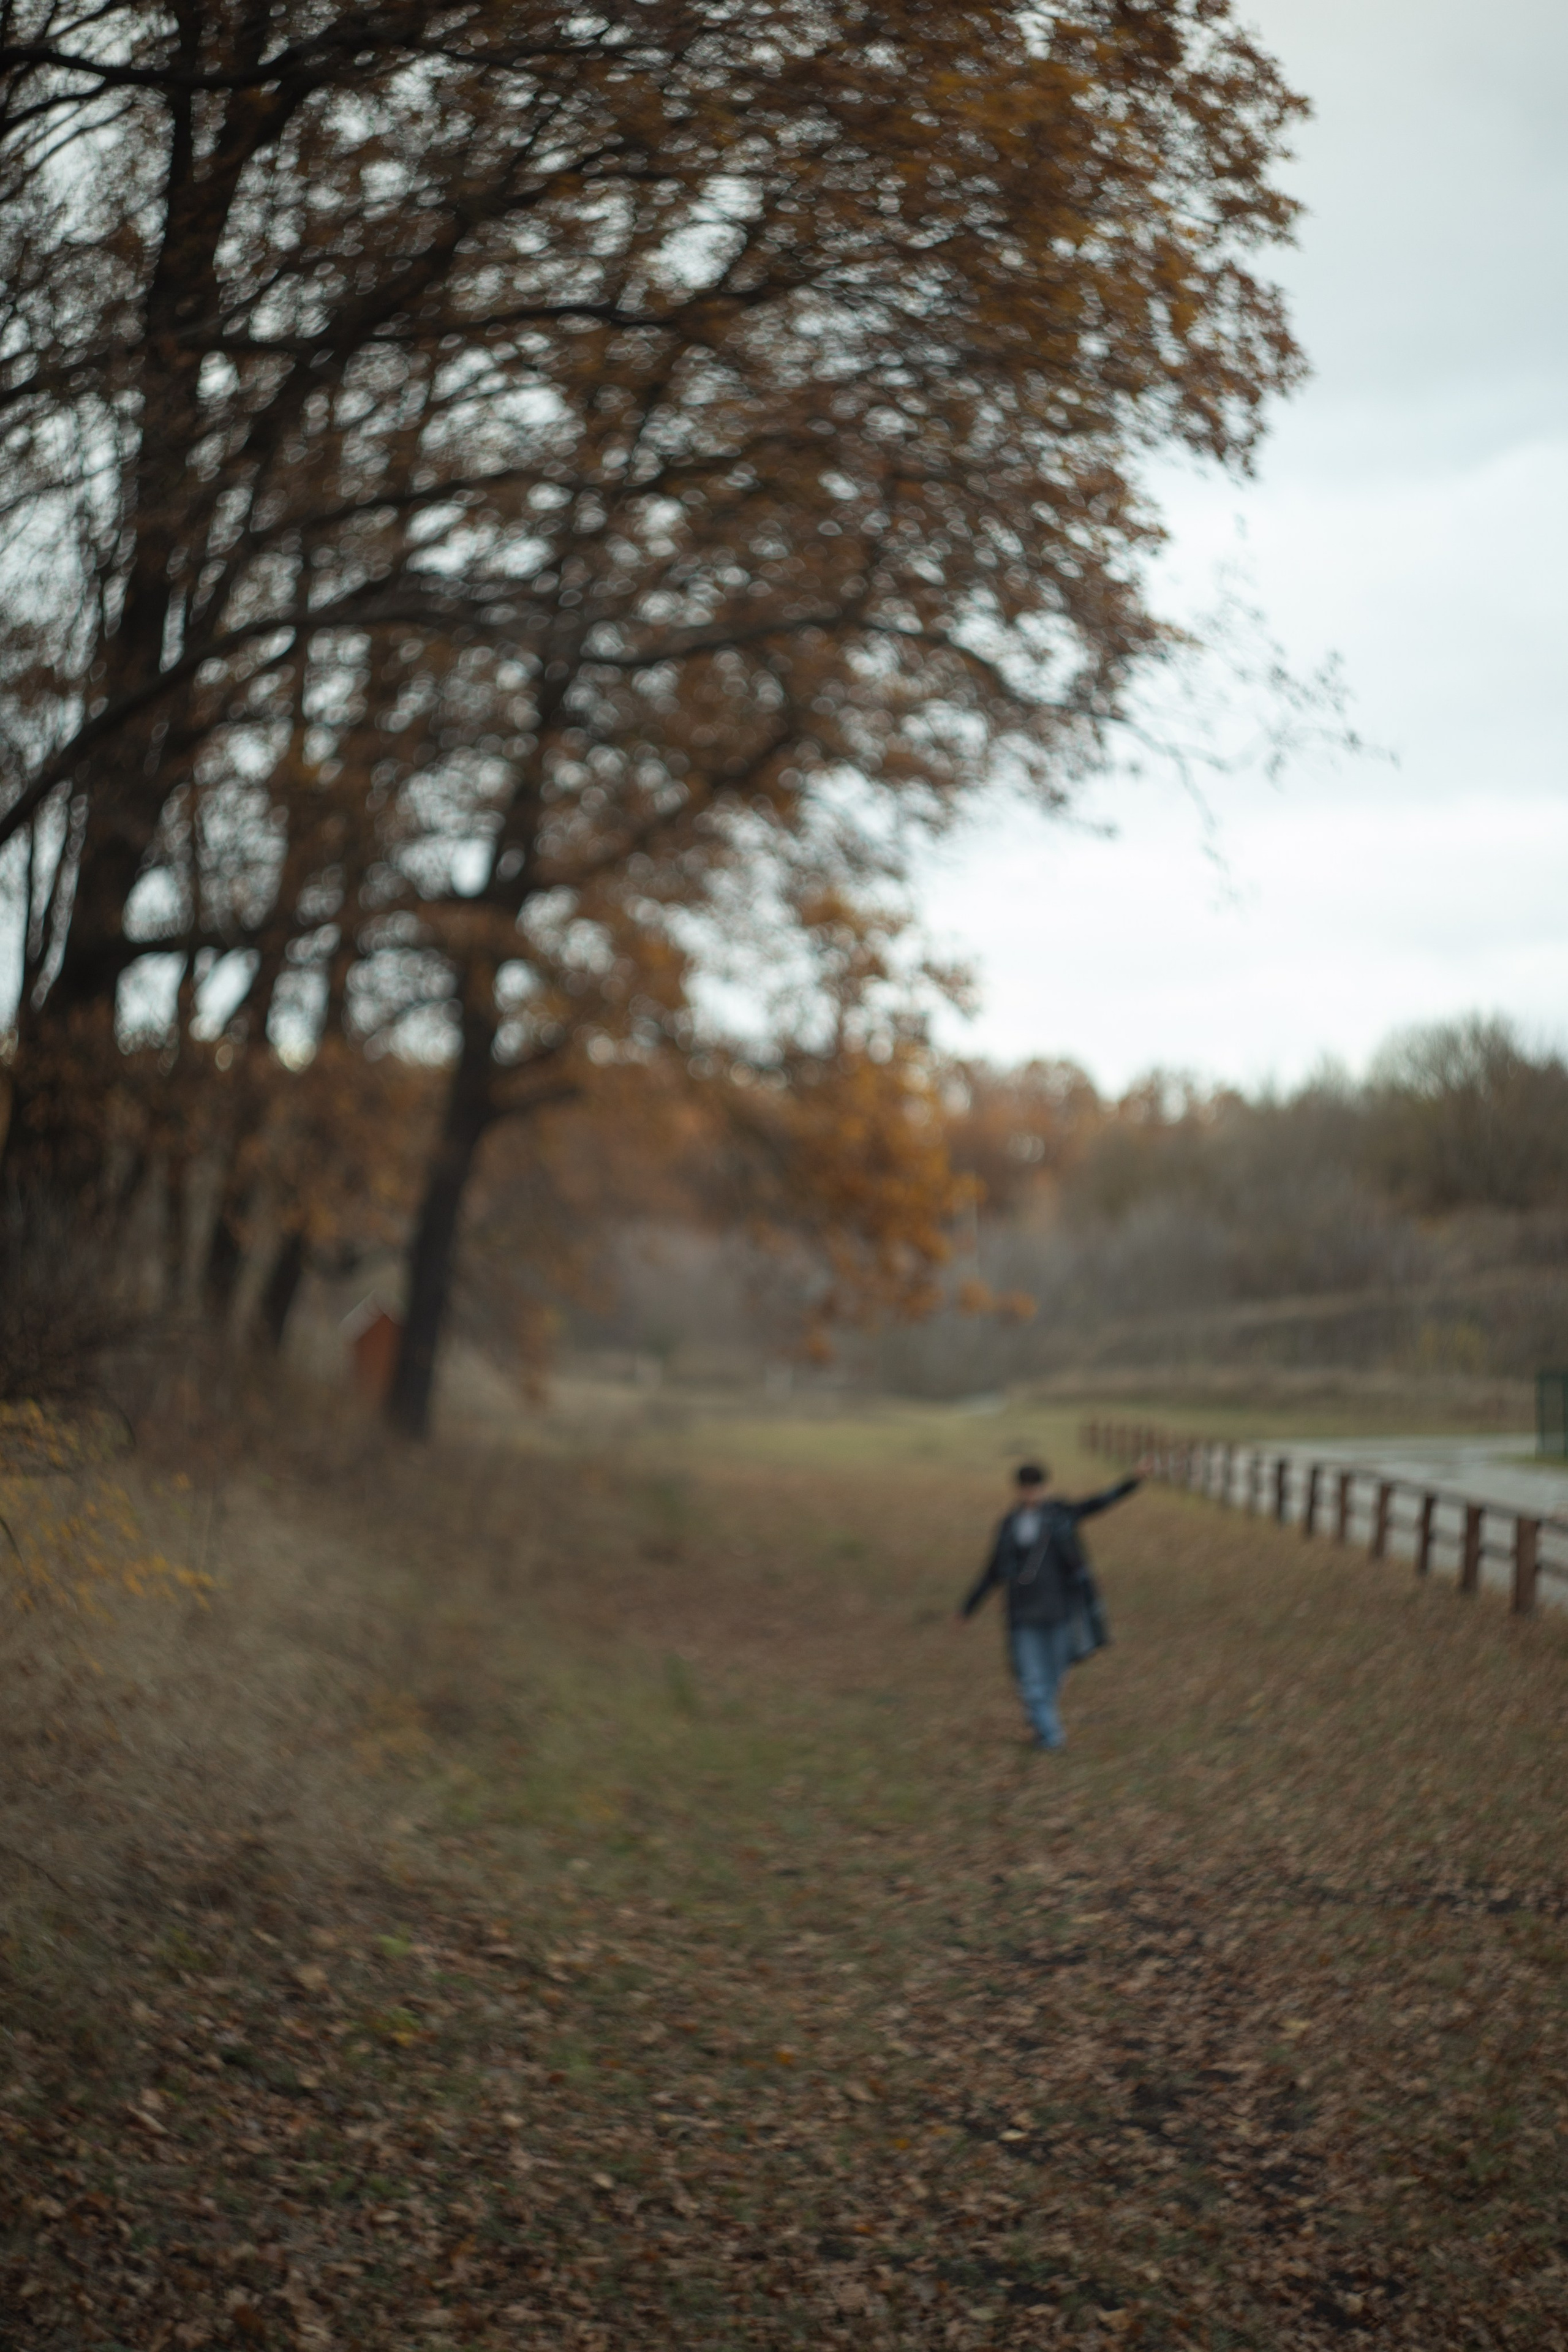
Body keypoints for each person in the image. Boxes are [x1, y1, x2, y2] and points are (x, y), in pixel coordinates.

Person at [957, 1460, 1142, 1751]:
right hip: (1021, 1611)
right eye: (1027, 1489)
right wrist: (969, 1606)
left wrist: (1132, 1481)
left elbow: (1098, 1503)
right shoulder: (1009, 1525)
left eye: (1036, 1488)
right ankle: (1051, 1737)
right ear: (1018, 1490)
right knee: (1030, 1675)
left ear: (1044, 1488)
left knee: (1055, 1673)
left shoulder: (1061, 1515)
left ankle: (1042, 1719)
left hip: (1059, 1609)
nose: (1032, 1494)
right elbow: (992, 1569)